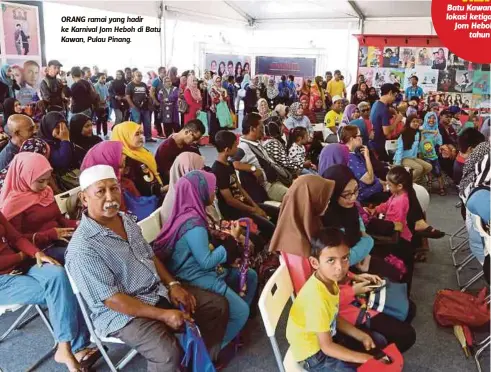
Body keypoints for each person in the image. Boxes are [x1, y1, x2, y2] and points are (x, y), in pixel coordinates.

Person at [66, 165, 229, 371]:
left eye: (114, 188)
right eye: (101, 191)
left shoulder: (124, 219)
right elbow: (113, 299)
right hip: (123, 314)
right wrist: (163, 315)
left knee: (216, 306)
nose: (110, 197)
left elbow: (148, 255)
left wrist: (173, 284)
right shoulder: (83, 248)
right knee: (167, 355)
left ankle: (199, 364)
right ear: (84, 199)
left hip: (155, 290)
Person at [154, 170, 257, 349]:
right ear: (199, 192)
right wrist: (232, 240)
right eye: (211, 188)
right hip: (196, 276)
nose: (214, 191)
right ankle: (214, 349)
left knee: (251, 276)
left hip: (197, 270)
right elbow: (207, 262)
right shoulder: (194, 224)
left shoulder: (187, 214)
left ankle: (233, 325)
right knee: (242, 311)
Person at [286, 228, 386, 371]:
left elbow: (333, 317)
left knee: (378, 341)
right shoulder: (316, 299)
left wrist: (361, 336)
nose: (340, 268)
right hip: (313, 355)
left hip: (326, 337)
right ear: (315, 263)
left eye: (344, 258)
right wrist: (364, 358)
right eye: (331, 260)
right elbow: (327, 347)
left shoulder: (329, 280)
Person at [0, 152, 77, 263]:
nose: (45, 185)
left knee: (92, 244)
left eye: (48, 180)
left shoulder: (45, 192)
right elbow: (15, 240)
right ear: (24, 176)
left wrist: (76, 223)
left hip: (58, 239)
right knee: (77, 255)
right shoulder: (14, 204)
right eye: (40, 181)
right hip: (38, 249)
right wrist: (48, 235)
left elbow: (58, 219)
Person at [269, 175, 335, 294]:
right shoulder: (296, 251)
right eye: (323, 197)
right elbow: (307, 293)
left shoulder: (310, 223)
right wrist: (350, 291)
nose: (328, 201)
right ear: (309, 200)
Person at [213, 130, 277, 240]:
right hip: (234, 211)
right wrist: (252, 210)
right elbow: (229, 200)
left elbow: (240, 187)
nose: (237, 148)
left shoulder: (229, 164)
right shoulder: (217, 170)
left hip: (244, 205)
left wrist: (255, 206)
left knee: (277, 212)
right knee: (270, 228)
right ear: (227, 150)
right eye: (235, 146)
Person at [364, 167, 418, 292]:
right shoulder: (396, 195)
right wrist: (376, 210)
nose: (387, 187)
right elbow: (386, 205)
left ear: (399, 186)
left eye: (389, 184)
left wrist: (379, 223)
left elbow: (395, 224)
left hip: (401, 238)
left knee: (403, 265)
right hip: (400, 234)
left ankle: (403, 289)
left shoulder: (401, 201)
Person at [234, 113, 289, 203]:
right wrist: (253, 168)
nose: (263, 131)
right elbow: (233, 163)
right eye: (261, 128)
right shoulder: (243, 147)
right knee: (297, 196)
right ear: (252, 129)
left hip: (277, 180)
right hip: (270, 187)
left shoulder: (255, 142)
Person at [80, 141, 141, 213]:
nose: (124, 156)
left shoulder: (124, 181)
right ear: (107, 158)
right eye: (120, 153)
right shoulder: (94, 191)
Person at [111, 121, 163, 198]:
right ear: (125, 136)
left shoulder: (143, 151)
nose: (141, 137)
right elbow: (140, 187)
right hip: (143, 199)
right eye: (137, 134)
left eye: (141, 133)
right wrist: (162, 189)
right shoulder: (125, 160)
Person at [154, 120, 204, 184]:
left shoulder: (192, 146)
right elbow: (168, 174)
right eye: (194, 138)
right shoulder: (165, 148)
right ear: (187, 132)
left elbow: (200, 164)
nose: (195, 142)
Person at [394, 115, 433, 183]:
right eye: (413, 121)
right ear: (409, 123)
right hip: (403, 158)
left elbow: (418, 147)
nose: (416, 123)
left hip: (413, 157)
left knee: (429, 167)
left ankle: (414, 180)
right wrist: (398, 163)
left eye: (417, 122)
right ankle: (406, 183)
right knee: (419, 168)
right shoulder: (404, 134)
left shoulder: (418, 133)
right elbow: (399, 149)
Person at [370, 83, 403, 162]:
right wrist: (397, 120)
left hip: (373, 142)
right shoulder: (383, 109)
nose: (394, 99)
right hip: (378, 144)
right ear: (390, 93)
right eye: (394, 96)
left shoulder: (376, 103)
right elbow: (386, 131)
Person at [420, 112, 446, 195]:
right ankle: (429, 186)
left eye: (434, 118)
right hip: (424, 154)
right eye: (429, 118)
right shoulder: (421, 128)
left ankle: (441, 187)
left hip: (434, 154)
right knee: (428, 170)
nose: (431, 120)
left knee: (438, 170)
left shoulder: (437, 129)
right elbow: (421, 141)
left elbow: (439, 142)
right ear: (426, 119)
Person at [126, 70, 154, 142]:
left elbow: (147, 94)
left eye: (141, 75)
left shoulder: (143, 84)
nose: (140, 77)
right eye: (138, 75)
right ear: (134, 76)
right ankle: (135, 138)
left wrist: (149, 99)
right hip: (135, 108)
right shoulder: (130, 85)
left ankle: (148, 137)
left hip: (145, 107)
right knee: (136, 124)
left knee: (147, 122)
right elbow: (127, 97)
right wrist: (133, 107)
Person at [149, 67, 166, 138]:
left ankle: (163, 130)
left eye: (165, 72)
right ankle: (159, 133)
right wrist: (156, 102)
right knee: (158, 117)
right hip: (157, 102)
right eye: (163, 72)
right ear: (159, 73)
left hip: (164, 102)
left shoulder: (166, 80)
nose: (164, 73)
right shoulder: (156, 81)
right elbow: (151, 92)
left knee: (164, 117)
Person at [93, 73, 110, 138]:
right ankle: (98, 133)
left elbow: (108, 96)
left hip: (105, 106)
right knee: (99, 120)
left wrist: (106, 101)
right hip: (98, 107)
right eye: (102, 78)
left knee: (105, 121)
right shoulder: (96, 86)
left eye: (104, 78)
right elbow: (97, 97)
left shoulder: (105, 86)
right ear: (98, 78)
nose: (103, 79)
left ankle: (105, 134)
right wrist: (102, 102)